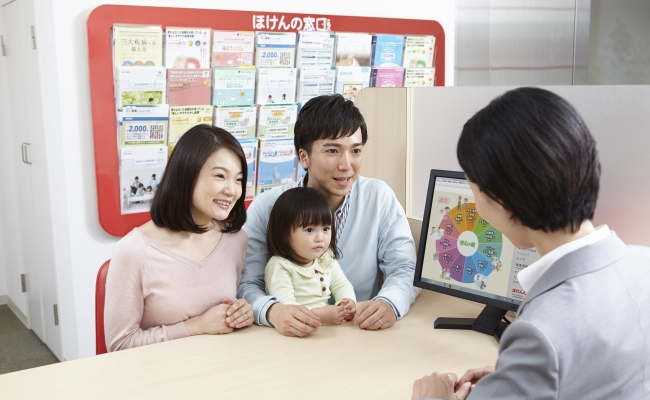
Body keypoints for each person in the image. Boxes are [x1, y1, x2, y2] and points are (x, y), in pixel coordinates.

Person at [411, 87, 650, 399]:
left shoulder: (541, 331)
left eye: (474, 191)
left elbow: (556, 343)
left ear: (502, 199)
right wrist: (515, 377)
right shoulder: (643, 264)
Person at [238, 94, 420, 337]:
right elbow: (249, 284)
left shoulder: (378, 197)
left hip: (360, 336)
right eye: (333, 150)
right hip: (291, 341)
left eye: (355, 151)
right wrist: (274, 311)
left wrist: (390, 302)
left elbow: (405, 268)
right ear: (304, 157)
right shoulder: (266, 207)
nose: (346, 165)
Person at [104, 125, 253, 351]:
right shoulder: (134, 250)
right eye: (220, 176)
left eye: (238, 179)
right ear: (187, 175)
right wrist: (195, 326)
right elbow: (120, 345)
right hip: (159, 375)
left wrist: (242, 312)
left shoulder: (236, 240)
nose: (232, 190)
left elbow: (237, 304)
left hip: (222, 368)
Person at [265, 187, 357, 325]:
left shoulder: (326, 258)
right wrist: (319, 315)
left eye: (326, 229)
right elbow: (288, 307)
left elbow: (341, 284)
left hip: (325, 329)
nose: (320, 238)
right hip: (296, 330)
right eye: (309, 230)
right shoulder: (279, 265)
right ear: (284, 234)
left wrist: (347, 302)